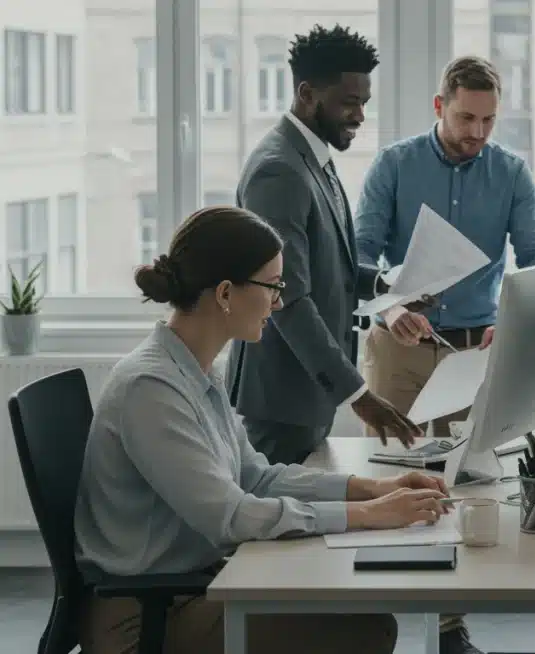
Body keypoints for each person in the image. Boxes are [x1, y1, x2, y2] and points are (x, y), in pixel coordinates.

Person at [75, 206, 453, 654]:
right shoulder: (150, 388)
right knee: (365, 628)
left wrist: (372, 489)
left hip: (193, 588)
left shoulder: (193, 369)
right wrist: (371, 517)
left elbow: (256, 476)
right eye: (272, 285)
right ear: (225, 294)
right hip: (147, 619)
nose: (278, 301)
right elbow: (230, 516)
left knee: (347, 600)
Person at [227, 24, 420, 466]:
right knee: (272, 527)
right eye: (349, 103)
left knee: (301, 524)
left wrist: (392, 287)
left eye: (364, 103)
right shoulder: (279, 171)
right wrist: (358, 393)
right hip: (280, 400)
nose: (359, 116)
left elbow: (332, 267)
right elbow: (288, 298)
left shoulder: (314, 159)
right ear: (307, 93)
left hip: (306, 396)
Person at [354, 54, 535, 440]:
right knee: (388, 475)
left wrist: (512, 320)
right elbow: (360, 253)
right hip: (397, 349)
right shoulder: (393, 165)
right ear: (438, 105)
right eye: (466, 118)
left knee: (469, 482)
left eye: (489, 120)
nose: (478, 132)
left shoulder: (511, 173)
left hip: (473, 353)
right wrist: (393, 308)